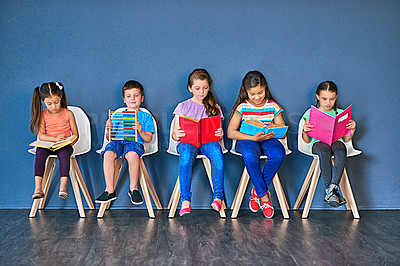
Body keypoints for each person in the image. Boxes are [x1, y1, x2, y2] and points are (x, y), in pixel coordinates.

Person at [227, 71, 286, 219]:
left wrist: (272, 127)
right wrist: (252, 138)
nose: (257, 97)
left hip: (268, 138)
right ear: (246, 91)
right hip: (247, 140)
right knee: (249, 155)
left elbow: (282, 130)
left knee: (278, 153)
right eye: (252, 94)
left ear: (265, 88)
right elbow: (231, 132)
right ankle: (264, 197)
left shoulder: (272, 105)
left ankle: (257, 190)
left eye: (260, 92)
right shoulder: (242, 107)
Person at [172, 69, 225, 216]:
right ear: (190, 88)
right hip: (188, 142)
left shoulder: (215, 107)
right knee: (185, 158)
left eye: (205, 88)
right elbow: (174, 134)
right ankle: (185, 201)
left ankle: (218, 197)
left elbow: (218, 131)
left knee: (217, 153)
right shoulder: (182, 106)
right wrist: (177, 134)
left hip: (208, 142)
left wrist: (220, 133)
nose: (202, 92)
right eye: (197, 88)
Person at [95, 80, 155, 205]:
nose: (132, 98)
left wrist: (140, 130)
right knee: (108, 154)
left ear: (142, 98)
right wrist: (108, 129)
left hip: (134, 143)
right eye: (129, 96)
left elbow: (149, 139)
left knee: (132, 155)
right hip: (118, 142)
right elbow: (109, 137)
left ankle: (134, 188)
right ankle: (109, 190)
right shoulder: (117, 114)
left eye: (136, 95)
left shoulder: (145, 116)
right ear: (124, 99)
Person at [301, 81, 356, 207]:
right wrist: (305, 131)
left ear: (336, 97)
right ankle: (329, 190)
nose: (328, 102)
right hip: (318, 144)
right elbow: (306, 141)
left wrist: (351, 130)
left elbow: (347, 140)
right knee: (324, 150)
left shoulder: (341, 113)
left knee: (341, 148)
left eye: (331, 99)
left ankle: (333, 188)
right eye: (324, 99)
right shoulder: (310, 114)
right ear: (317, 97)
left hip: (336, 142)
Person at [30, 82, 79, 200]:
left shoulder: (68, 113)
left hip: (64, 145)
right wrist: (54, 139)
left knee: (64, 154)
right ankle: (38, 188)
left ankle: (63, 187)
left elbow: (75, 134)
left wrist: (69, 141)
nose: (53, 107)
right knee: (40, 153)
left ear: (61, 97)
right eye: (49, 104)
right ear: (43, 102)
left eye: (56, 102)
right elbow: (41, 135)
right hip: (48, 144)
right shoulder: (43, 115)